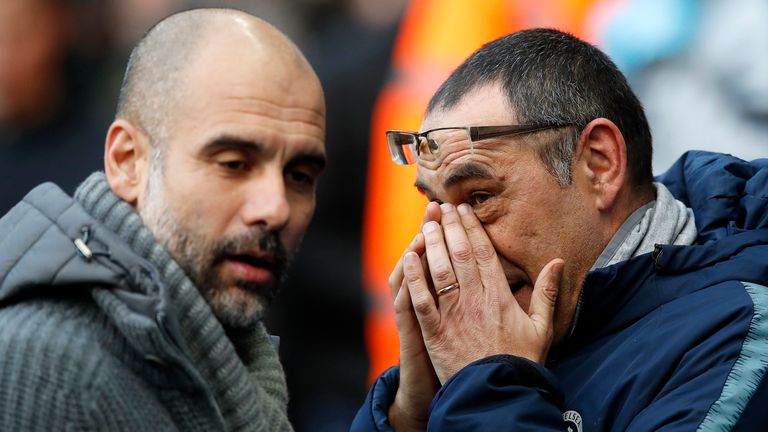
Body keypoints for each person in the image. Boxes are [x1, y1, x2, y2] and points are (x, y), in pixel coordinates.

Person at [352, 28, 768, 431]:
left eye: (480, 197)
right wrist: (410, 415)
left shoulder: (738, 334)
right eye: (437, 206)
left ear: (599, 165)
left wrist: (488, 383)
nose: (451, 244)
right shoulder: (474, 351)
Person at [0, 8, 326, 431]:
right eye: (233, 163)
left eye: (300, 176)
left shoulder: (224, 346)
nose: (277, 208)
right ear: (127, 161)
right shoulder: (53, 371)